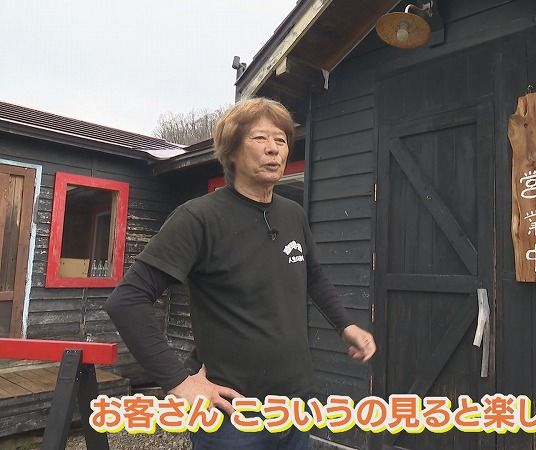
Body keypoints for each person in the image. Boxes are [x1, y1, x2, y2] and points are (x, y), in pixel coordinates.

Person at [104, 98, 376, 450]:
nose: (273, 149)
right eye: (259, 138)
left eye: (281, 140)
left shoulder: (292, 214)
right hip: (231, 416)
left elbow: (314, 276)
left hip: (294, 405)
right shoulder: (199, 218)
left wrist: (345, 325)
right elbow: (127, 301)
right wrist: (180, 382)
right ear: (231, 152)